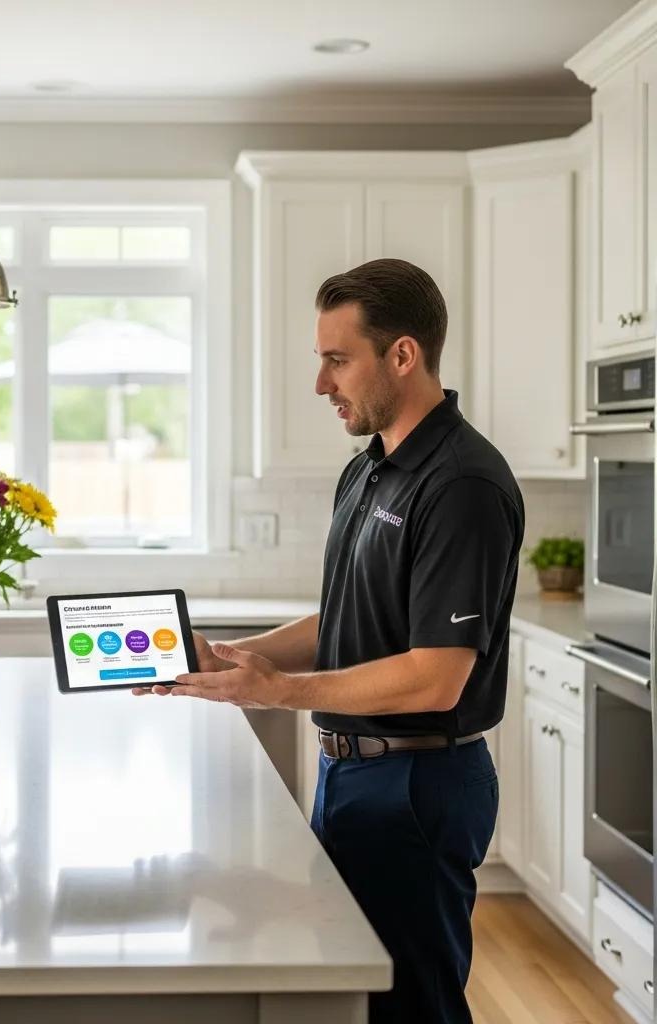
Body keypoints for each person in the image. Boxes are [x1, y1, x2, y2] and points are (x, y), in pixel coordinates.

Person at [134, 258, 525, 1023]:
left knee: (413, 1004)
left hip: (418, 785)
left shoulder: (462, 485)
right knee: (351, 996)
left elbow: (435, 677)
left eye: (337, 360)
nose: (322, 383)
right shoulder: (369, 470)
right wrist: (236, 658)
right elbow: (343, 616)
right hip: (352, 776)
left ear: (403, 355)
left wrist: (281, 694)